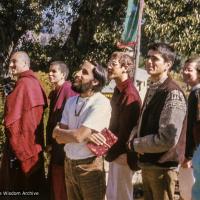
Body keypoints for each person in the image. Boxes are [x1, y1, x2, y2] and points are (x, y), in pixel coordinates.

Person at [128, 42, 187, 200]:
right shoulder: (154, 87)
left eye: (155, 59)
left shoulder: (172, 92)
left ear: (168, 64)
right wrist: (134, 135)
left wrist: (136, 144)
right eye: (148, 57)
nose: (149, 61)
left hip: (162, 168)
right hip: (149, 165)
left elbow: (167, 139)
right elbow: (144, 121)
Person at [53, 60, 111, 200]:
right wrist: (59, 132)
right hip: (69, 164)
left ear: (95, 81)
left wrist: (60, 131)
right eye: (80, 70)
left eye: (84, 72)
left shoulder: (101, 103)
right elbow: (58, 138)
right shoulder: (71, 101)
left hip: (89, 167)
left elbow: (78, 136)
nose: (77, 74)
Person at [91, 51, 141, 200]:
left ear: (125, 67)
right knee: (113, 195)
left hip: (123, 155)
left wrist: (106, 151)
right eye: (109, 63)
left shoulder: (129, 94)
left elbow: (124, 133)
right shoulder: (118, 90)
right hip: (115, 153)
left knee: (121, 196)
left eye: (114, 64)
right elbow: (113, 125)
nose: (109, 67)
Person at [0, 51, 48, 198]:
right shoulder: (33, 83)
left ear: (25, 64)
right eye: (10, 62)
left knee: (18, 191)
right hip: (33, 146)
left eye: (15, 61)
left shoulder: (24, 84)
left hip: (22, 148)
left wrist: (18, 150)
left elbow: (13, 122)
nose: (11, 65)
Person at [46, 61, 77, 200]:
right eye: (49, 71)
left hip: (63, 146)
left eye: (54, 71)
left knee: (61, 182)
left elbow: (69, 121)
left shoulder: (68, 90)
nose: (49, 74)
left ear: (63, 74)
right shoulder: (56, 91)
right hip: (56, 144)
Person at [179, 56, 200, 200]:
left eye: (189, 69)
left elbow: (195, 126)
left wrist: (189, 155)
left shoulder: (197, 93)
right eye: (184, 69)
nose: (185, 72)